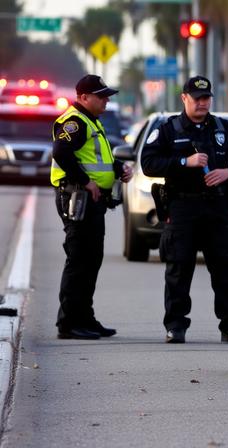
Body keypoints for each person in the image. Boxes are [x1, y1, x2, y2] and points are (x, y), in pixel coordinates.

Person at [140, 76, 228, 344]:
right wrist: (184, 161)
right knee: (179, 268)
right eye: (197, 98)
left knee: (225, 268)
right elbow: (148, 163)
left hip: (217, 207)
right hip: (183, 206)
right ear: (184, 98)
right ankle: (176, 326)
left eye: (206, 98)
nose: (203, 103)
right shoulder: (169, 129)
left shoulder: (222, 128)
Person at [51, 74, 133, 340]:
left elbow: (95, 158)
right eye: (101, 96)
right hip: (77, 197)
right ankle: (69, 323)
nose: (106, 100)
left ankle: (85, 318)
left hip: (91, 201)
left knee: (90, 260)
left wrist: (119, 169)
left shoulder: (91, 121)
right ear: (84, 97)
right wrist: (85, 182)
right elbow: (61, 153)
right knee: (79, 260)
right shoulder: (75, 122)